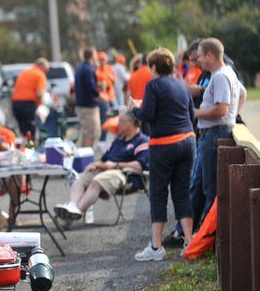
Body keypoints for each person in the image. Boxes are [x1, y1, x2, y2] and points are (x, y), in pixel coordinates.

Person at [129, 47, 196, 261]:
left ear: (154, 67)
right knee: (182, 191)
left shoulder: (153, 85)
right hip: (187, 141)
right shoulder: (181, 84)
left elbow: (147, 114)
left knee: (158, 194)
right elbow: (191, 114)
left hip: (163, 145)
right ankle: (190, 242)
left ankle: (156, 248)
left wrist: (134, 108)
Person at [190, 38, 246, 229]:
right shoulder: (226, 72)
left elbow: (221, 109)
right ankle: (204, 236)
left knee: (210, 190)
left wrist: (196, 113)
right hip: (214, 133)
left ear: (209, 55)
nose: (198, 61)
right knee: (205, 186)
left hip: (214, 135)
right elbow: (242, 93)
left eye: (199, 56)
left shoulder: (220, 76)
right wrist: (233, 116)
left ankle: (207, 237)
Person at [54, 110, 149, 223]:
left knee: (97, 181)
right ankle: (73, 207)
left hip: (127, 176)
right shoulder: (118, 140)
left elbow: (139, 166)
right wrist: (95, 164)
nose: (118, 124)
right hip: (106, 172)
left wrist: (115, 165)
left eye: (121, 121)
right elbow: (104, 159)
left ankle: (76, 211)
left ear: (132, 123)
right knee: (80, 179)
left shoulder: (142, 141)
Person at [11, 57, 50, 138]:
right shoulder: (40, 75)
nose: (47, 72)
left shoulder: (25, 72)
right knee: (30, 133)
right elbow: (39, 94)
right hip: (28, 105)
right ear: (42, 66)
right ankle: (30, 149)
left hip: (16, 104)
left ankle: (24, 148)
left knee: (23, 132)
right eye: (46, 69)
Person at [74, 47, 101, 148]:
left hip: (81, 104)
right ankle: (86, 159)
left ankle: (83, 156)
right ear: (92, 55)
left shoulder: (80, 68)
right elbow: (91, 87)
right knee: (91, 133)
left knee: (86, 132)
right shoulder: (89, 69)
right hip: (88, 106)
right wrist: (98, 94)